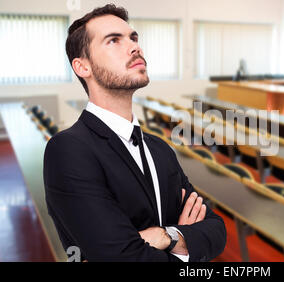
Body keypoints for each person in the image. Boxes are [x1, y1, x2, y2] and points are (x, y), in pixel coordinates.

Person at [43, 4, 226, 262]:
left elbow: (216, 229)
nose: (134, 47)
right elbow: (122, 257)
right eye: (114, 40)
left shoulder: (160, 149)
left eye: (133, 37)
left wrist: (166, 236)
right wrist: (184, 241)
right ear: (83, 67)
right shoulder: (68, 150)